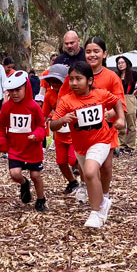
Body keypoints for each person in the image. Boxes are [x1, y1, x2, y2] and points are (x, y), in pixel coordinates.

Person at [50, 62, 125, 228]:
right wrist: (63, 120)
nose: (74, 83)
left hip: (101, 140)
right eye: (71, 79)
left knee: (90, 172)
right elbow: (53, 125)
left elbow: (117, 102)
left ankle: (96, 211)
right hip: (81, 146)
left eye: (79, 79)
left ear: (90, 80)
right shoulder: (66, 101)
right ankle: (102, 203)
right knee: (90, 176)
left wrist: (121, 118)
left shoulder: (100, 94)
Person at [0, 71, 47, 212]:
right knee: (15, 174)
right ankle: (24, 184)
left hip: (32, 148)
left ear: (26, 88)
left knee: (36, 175)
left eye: (18, 90)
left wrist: (36, 135)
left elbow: (41, 125)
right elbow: (1, 125)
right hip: (15, 148)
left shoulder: (34, 106)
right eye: (11, 91)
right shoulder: (7, 107)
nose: (14, 94)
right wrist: (2, 139)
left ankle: (41, 198)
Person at [40, 64, 79, 194]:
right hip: (59, 133)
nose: (54, 84)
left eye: (57, 81)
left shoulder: (73, 94)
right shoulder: (49, 95)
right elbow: (44, 114)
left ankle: (87, 180)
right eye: (52, 81)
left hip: (74, 133)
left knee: (73, 159)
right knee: (61, 161)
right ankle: (72, 181)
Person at [115, 56, 137, 153]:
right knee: (121, 122)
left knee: (131, 122)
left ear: (127, 63)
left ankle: (130, 145)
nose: (121, 65)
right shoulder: (116, 75)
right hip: (119, 99)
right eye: (119, 63)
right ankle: (122, 145)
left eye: (122, 62)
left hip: (129, 98)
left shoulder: (133, 74)